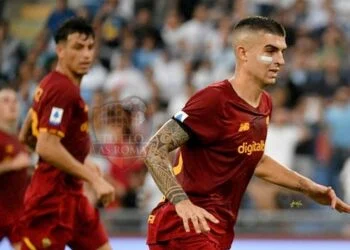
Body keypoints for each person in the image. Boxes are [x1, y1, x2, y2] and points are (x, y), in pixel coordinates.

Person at [143, 16, 350, 250]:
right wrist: (181, 202)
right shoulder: (213, 100)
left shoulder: (264, 104)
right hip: (186, 226)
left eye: (282, 52)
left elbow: (254, 160)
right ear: (243, 53)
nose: (280, 60)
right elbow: (153, 149)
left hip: (217, 229)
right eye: (270, 51)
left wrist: (310, 188)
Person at [18, 17, 115, 250]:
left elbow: (27, 135)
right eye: (78, 47)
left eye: (90, 47)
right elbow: (45, 146)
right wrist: (94, 179)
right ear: (60, 50)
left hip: (74, 198)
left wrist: (80, 161)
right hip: (50, 202)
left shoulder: (51, 84)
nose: (86, 55)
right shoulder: (61, 90)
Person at [0, 87, 31, 250]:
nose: (12, 105)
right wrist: (11, 165)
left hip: (17, 215)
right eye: (6, 101)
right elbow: (15, 164)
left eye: (15, 101)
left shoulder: (18, 139)